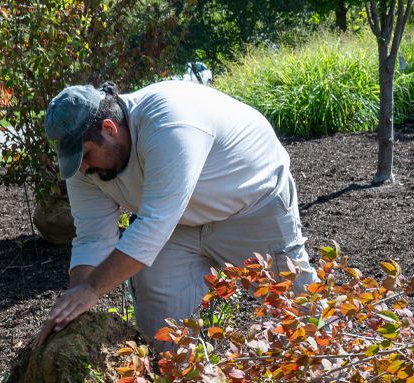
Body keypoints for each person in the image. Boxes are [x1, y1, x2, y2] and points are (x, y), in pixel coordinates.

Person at [32, 80, 316, 348]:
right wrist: (70, 309)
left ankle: (336, 379)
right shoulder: (84, 168)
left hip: (253, 206)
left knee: (297, 307)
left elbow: (153, 226)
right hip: (178, 221)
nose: (82, 169)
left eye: (86, 156)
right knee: (159, 320)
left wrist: (92, 289)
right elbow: (93, 238)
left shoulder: (168, 124)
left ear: (109, 129)